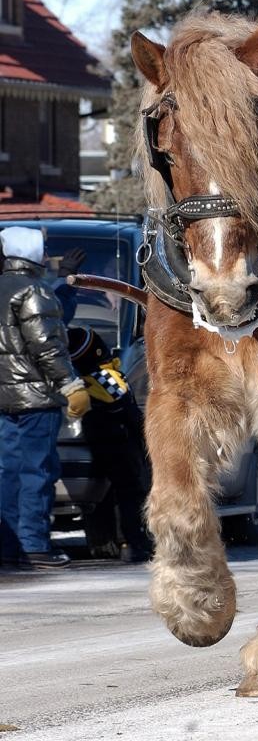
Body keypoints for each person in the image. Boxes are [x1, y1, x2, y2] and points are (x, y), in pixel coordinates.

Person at [0, 227, 91, 569]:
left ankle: (9, 546)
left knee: (8, 472)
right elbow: (49, 346)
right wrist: (71, 385)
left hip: (5, 398)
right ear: (32, 253)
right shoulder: (34, 291)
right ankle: (35, 545)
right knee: (37, 471)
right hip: (37, 400)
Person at [66, 326, 153, 563]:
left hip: (97, 442)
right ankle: (138, 543)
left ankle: (105, 542)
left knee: (102, 499)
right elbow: (129, 411)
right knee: (130, 494)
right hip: (119, 443)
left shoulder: (79, 382)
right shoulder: (108, 378)